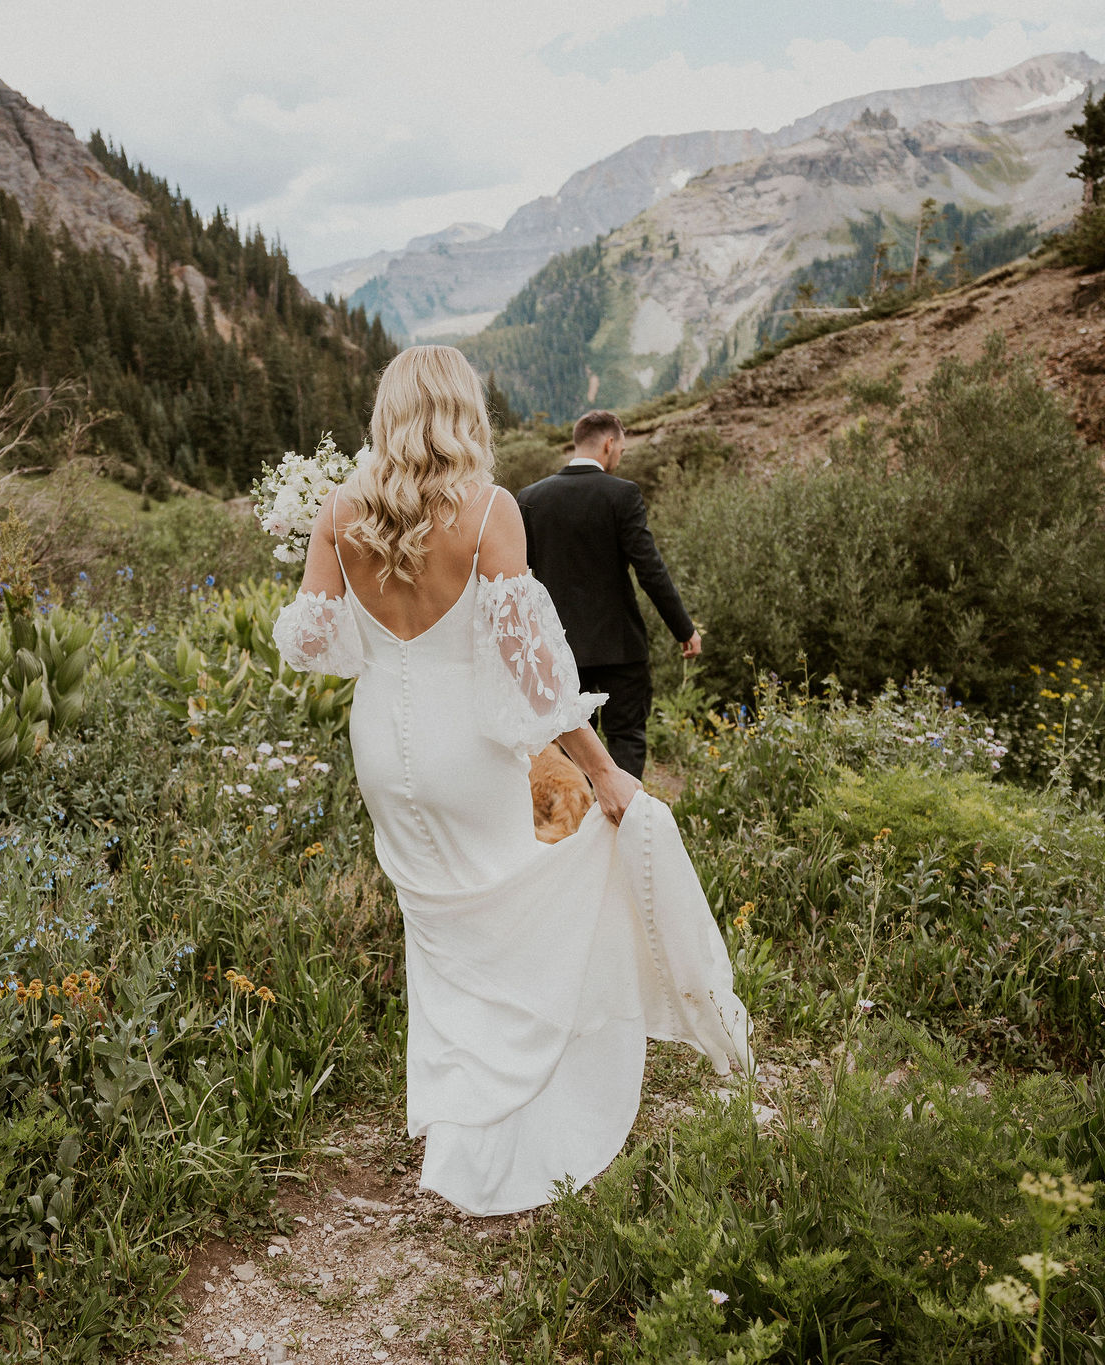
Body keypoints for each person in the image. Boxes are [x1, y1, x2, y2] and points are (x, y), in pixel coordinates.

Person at [273, 346, 749, 1217]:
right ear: (463, 413)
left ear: (387, 414)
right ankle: (495, 1136)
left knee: (442, 927)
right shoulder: (488, 510)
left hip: (383, 747)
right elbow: (534, 672)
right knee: (502, 917)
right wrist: (602, 767)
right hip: (467, 750)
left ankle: (453, 1117)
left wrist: (326, 556)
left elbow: (309, 644)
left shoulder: (340, 510)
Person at [515, 411, 702, 779]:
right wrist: (684, 630)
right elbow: (650, 571)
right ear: (609, 443)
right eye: (621, 449)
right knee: (626, 739)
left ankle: (578, 824)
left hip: (559, 648)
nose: (619, 458)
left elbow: (522, 577)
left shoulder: (531, 497)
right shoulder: (622, 494)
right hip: (620, 648)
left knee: (569, 747)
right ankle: (620, 828)